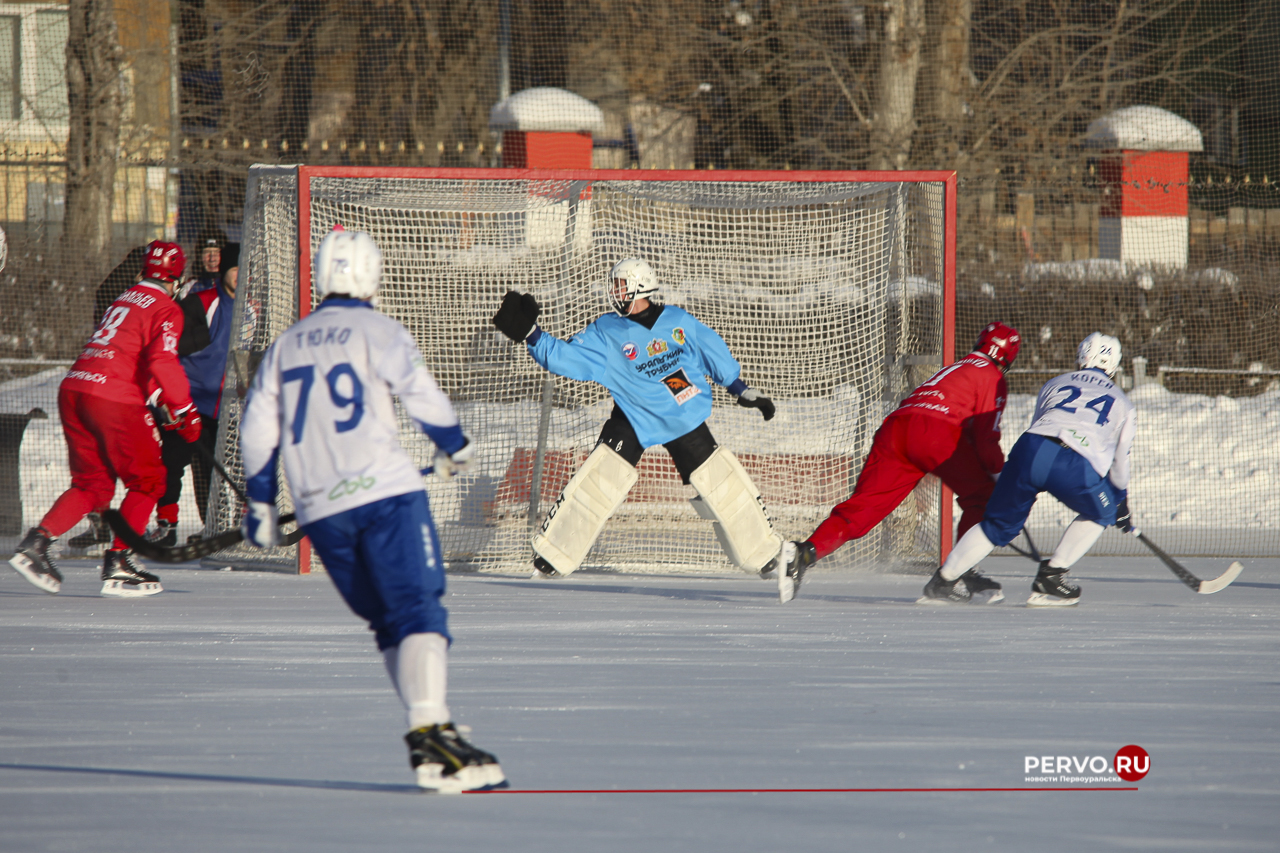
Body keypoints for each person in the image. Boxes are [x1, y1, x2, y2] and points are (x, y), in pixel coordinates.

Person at [238, 228, 504, 792]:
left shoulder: (287, 343)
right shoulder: (377, 329)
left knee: (387, 622)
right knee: (419, 611)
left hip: (319, 510)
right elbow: (420, 391)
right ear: (370, 275)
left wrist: (261, 500)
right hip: (384, 496)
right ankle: (430, 732)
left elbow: (258, 427)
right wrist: (453, 442)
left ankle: (432, 738)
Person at [491, 258, 782, 581]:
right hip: (632, 416)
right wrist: (531, 334)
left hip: (680, 415)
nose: (614, 292)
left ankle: (767, 555)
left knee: (722, 485)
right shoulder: (607, 330)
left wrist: (741, 390)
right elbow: (567, 357)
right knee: (597, 482)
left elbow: (711, 350)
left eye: (620, 285)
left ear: (639, 287)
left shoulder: (677, 320)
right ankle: (551, 557)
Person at [7, 241, 202, 597]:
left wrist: (161, 400)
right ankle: (119, 561)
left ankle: (36, 544)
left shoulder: (124, 299)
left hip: (76, 388)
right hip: (113, 397)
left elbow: (129, 357)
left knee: (93, 485)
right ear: (177, 279)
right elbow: (161, 361)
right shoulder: (166, 307)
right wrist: (186, 409)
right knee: (148, 481)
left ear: (143, 272)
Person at [778, 322, 1021, 603]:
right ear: (1007, 357)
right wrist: (1000, 476)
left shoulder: (955, 368)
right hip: (936, 432)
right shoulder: (992, 376)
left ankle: (803, 554)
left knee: (863, 508)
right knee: (984, 498)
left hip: (895, 429)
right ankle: (958, 574)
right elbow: (985, 437)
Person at [920, 333, 1136, 607]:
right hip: (1072, 461)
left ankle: (944, 580)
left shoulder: (1054, 383)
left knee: (997, 524)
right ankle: (1053, 577)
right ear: (1115, 364)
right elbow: (1120, 462)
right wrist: (1119, 500)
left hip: (1030, 448)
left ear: (1081, 356)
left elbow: (1041, 423)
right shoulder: (1124, 403)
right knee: (1101, 512)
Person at [151, 243, 240, 546]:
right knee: (172, 462)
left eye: (246, 271)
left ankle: (214, 526)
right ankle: (166, 524)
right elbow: (170, 349)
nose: (241, 276)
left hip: (225, 407)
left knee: (214, 470)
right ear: (224, 271)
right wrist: (168, 394)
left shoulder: (251, 307)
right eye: (235, 269)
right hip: (188, 402)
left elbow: (247, 357)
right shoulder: (202, 302)